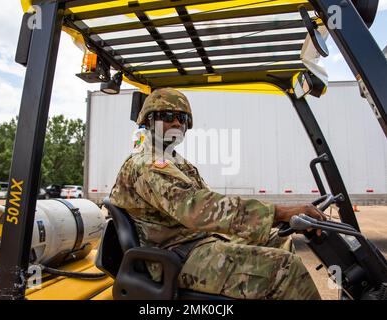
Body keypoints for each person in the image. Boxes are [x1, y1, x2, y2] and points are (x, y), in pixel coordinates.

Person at [110, 88, 325, 300]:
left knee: (280, 240)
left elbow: (216, 206)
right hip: (175, 256)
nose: (177, 123)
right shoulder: (148, 163)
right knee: (286, 268)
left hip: (197, 242)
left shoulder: (178, 163)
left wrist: (278, 221)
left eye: (182, 118)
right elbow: (199, 209)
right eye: (167, 116)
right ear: (149, 121)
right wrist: (279, 212)